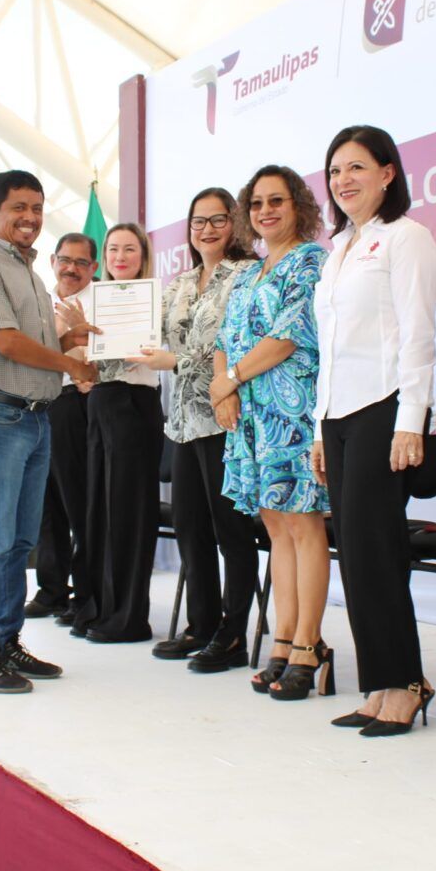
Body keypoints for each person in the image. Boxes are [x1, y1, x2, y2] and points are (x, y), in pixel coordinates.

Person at [310, 126, 436, 736]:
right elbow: (330, 349)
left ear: (388, 174)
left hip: (383, 409)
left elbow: (418, 334)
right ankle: (380, 685)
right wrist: (319, 428)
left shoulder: (407, 238)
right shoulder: (339, 247)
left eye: (357, 167)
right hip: (338, 415)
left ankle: (406, 683)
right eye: (336, 170)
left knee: (379, 552)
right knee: (357, 555)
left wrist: (411, 421)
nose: (344, 180)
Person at [0, 170, 98, 693]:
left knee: (18, 543)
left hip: (33, 418)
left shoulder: (31, 274)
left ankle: (5, 641)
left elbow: (34, 344)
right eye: (18, 208)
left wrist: (71, 340)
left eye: (37, 208)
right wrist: (70, 363)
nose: (30, 217)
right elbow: (8, 343)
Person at [212, 166, 333, 700]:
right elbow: (224, 340)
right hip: (252, 420)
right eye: (257, 203)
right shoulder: (246, 274)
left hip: (293, 412)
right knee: (276, 529)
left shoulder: (311, 261)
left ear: (298, 205)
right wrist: (223, 386)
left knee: (304, 526)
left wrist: (232, 378)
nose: (265, 211)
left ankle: (310, 645)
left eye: (276, 200)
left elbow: (289, 336)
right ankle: (283, 641)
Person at [130, 191, 259, 669]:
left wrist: (175, 361)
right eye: (198, 221)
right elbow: (146, 330)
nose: (206, 229)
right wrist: (96, 327)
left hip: (227, 418)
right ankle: (201, 625)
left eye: (217, 220)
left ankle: (233, 634)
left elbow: (239, 345)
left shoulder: (247, 275)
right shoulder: (181, 282)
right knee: (190, 528)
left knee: (232, 530)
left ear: (235, 223)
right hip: (183, 423)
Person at [71, 223, 164, 644]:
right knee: (98, 509)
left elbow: (165, 353)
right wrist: (79, 358)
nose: (120, 257)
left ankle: (128, 617)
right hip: (100, 402)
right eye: (113, 249)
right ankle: (97, 607)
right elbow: (80, 356)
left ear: (143, 255)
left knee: (129, 512)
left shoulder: (156, 299)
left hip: (135, 402)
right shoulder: (92, 301)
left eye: (129, 249)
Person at [25, 232, 99, 623]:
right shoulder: (37, 301)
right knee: (46, 501)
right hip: (38, 406)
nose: (71, 268)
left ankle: (85, 593)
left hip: (77, 404)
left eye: (81, 262)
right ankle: (51, 589)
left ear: (94, 267)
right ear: (53, 261)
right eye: (65, 260)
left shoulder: (102, 302)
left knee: (79, 501)